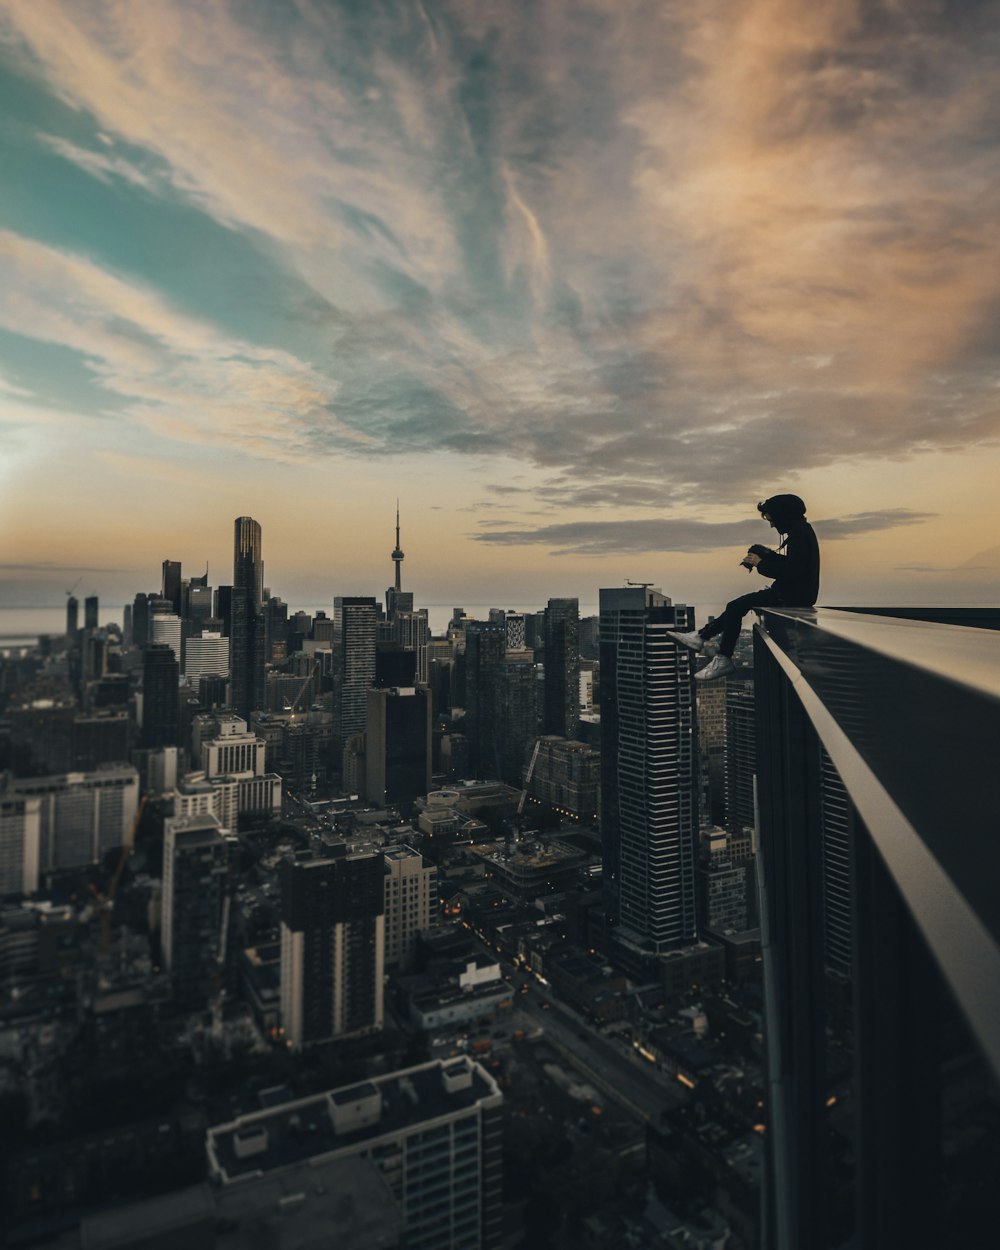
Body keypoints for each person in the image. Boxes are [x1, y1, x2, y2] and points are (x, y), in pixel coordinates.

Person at [669, 493, 820, 680]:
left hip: (791, 597)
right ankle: (701, 637)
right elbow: (794, 565)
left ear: (783, 516)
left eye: (772, 519)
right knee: (736, 606)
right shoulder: (801, 531)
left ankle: (719, 654)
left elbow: (793, 570)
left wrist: (760, 563)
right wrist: (761, 553)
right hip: (791, 594)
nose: (772, 525)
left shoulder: (799, 534)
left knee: (735, 606)